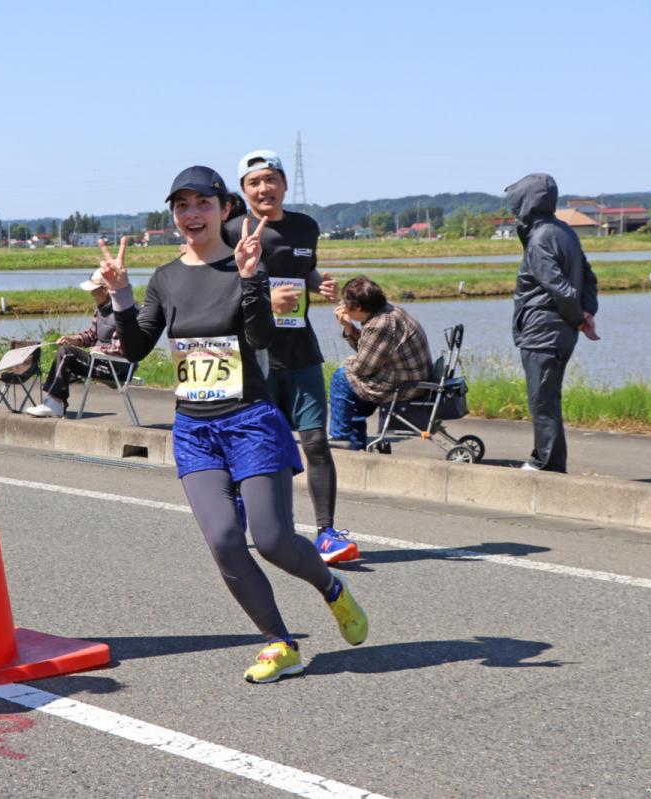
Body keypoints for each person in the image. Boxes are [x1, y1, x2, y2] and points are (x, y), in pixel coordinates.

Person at [101, 166, 367, 684]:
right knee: (224, 541)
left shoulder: (248, 266)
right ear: (174, 215)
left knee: (271, 539)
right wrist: (121, 297)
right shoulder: (166, 277)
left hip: (249, 421)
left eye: (202, 203)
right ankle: (279, 642)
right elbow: (134, 348)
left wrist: (250, 281)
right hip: (194, 430)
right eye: (181, 205)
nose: (191, 214)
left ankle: (332, 590)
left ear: (225, 210)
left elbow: (263, 338)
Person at [222, 150, 358, 564]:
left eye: (271, 180)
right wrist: (266, 297)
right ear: (244, 191)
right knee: (256, 445)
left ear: (283, 183)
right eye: (254, 182)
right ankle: (242, 513)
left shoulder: (305, 227)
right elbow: (219, 290)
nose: (264, 188)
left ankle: (326, 534)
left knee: (315, 441)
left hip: (301, 352)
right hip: (254, 356)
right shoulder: (232, 231)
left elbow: (306, 269)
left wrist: (321, 284)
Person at [506, 173, 599, 473]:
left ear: (527, 202)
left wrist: (579, 317)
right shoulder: (564, 231)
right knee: (547, 398)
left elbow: (558, 287)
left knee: (542, 400)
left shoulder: (540, 237)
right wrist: (586, 313)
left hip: (543, 331)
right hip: (560, 331)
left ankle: (547, 463)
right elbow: (587, 275)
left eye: (516, 201)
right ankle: (545, 457)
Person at [329, 276, 432, 450]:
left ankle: (341, 437)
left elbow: (363, 368)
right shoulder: (388, 310)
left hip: (405, 385)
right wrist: (349, 328)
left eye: (345, 303)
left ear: (359, 307)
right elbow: (371, 351)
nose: (342, 307)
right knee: (351, 386)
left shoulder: (380, 324)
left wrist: (347, 364)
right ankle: (354, 444)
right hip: (407, 377)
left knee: (341, 378)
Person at [24, 269, 131, 418]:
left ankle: (55, 404)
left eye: (94, 290)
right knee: (66, 350)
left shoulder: (124, 313)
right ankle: (54, 402)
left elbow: (121, 349)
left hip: (116, 369)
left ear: (106, 290)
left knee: (67, 353)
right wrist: (73, 339)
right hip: (99, 361)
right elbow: (91, 335)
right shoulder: (101, 310)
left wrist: (94, 349)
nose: (91, 294)